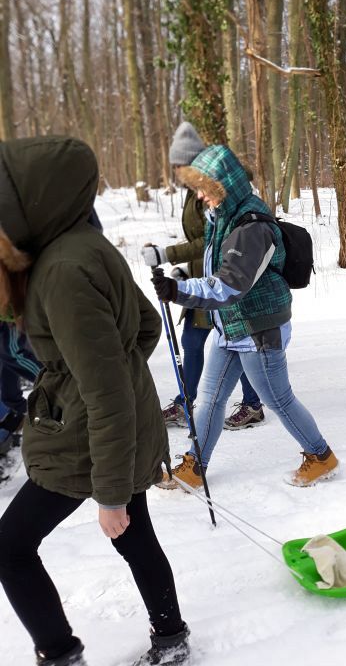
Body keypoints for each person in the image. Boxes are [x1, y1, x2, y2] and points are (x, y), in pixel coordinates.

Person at [0, 137, 189, 666]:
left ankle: (59, 654)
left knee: (10, 549)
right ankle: (172, 639)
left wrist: (108, 493)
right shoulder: (83, 243)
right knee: (135, 537)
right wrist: (110, 368)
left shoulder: (61, 272)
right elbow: (144, 328)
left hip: (89, 439)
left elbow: (104, 389)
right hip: (110, 429)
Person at [151, 144, 338, 488]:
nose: (202, 198)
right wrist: (181, 280)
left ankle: (321, 456)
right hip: (231, 326)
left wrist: (180, 293)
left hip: (258, 328)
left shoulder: (251, 225)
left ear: (223, 186)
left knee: (277, 399)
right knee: (210, 398)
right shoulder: (225, 216)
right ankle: (196, 465)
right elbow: (217, 268)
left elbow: (230, 285)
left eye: (205, 190)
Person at [142, 122, 265, 431]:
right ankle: (189, 401)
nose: (177, 171)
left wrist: (166, 254)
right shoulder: (193, 192)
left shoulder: (214, 191)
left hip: (223, 281)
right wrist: (185, 270)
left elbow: (210, 241)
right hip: (204, 277)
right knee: (198, 341)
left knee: (233, 343)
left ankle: (251, 404)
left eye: (181, 165)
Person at [0, 321, 40, 467]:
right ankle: (39, 416)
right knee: (9, 396)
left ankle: (58, 384)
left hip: (7, 317)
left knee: (12, 352)